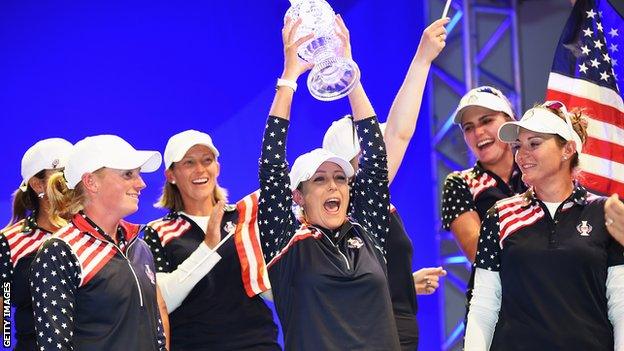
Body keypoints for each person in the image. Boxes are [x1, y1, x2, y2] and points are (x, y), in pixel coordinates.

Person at [255, 15, 400, 349]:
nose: (334, 186)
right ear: (298, 195)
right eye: (319, 180)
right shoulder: (286, 242)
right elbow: (272, 168)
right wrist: (289, 78)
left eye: (340, 178)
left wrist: (350, 73)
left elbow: (375, 158)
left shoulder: (368, 231)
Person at [464, 101, 624, 350]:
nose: (521, 154)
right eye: (518, 145)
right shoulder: (501, 214)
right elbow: (483, 306)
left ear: (568, 149)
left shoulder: (604, 213)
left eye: (534, 143)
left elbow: (621, 306)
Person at [142, 129, 279, 350]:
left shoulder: (243, 218)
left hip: (257, 343)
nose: (200, 169)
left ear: (217, 167)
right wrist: (207, 248)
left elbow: (268, 287)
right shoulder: (158, 231)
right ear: (171, 175)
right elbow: (162, 301)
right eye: (189, 163)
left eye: (207, 160)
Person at [30, 134, 169, 350]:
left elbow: (156, 336)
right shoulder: (60, 251)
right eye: (128, 174)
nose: (141, 183)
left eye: (138, 174)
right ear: (91, 182)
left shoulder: (140, 247)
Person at [0, 138, 72, 350]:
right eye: (63, 174)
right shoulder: (9, 241)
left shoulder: (95, 232)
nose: (72, 183)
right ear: (38, 184)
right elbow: (3, 314)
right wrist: (6, 338)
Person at [441, 86, 525, 263]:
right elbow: (479, 255)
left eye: (486, 121)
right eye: (468, 127)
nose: (478, 132)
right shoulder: (459, 183)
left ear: (509, 121)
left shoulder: (534, 170)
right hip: (498, 289)